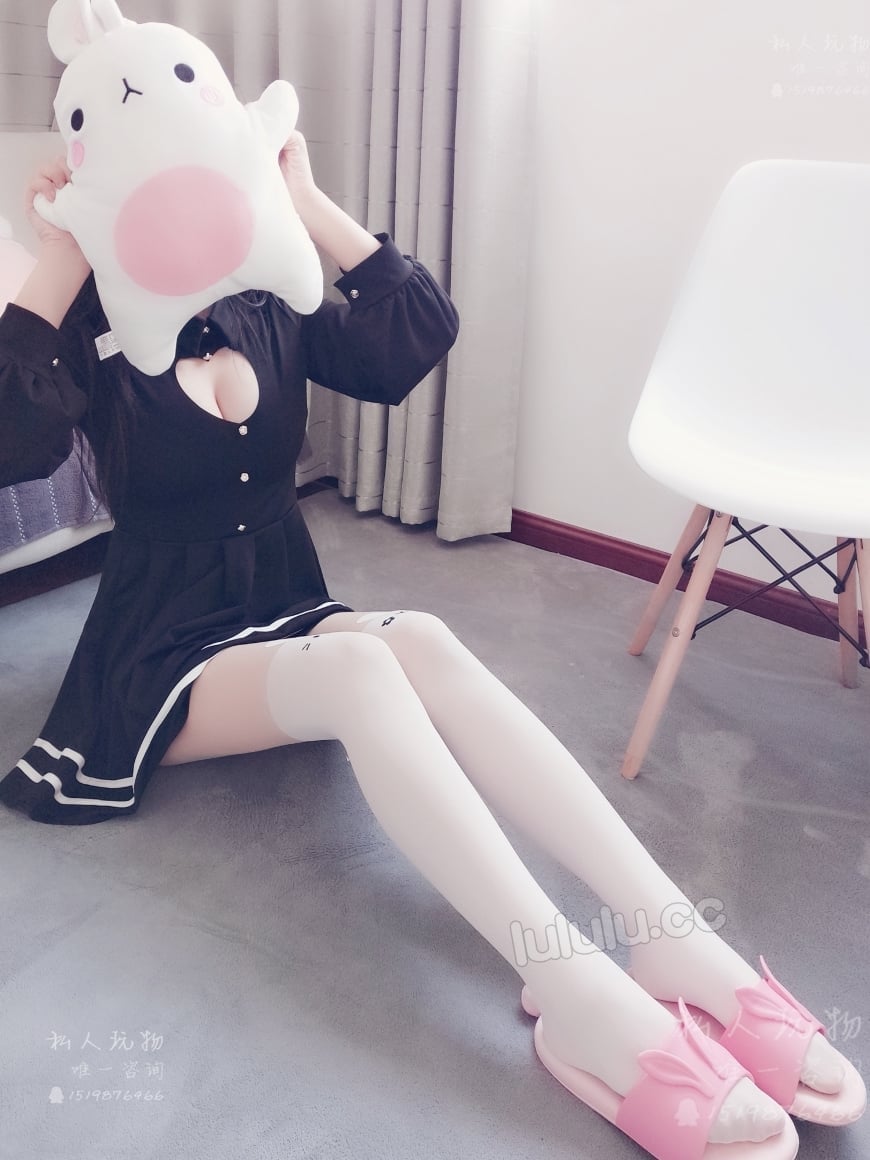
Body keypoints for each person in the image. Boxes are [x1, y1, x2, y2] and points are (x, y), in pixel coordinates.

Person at [0, 133, 862, 1160]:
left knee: (423, 636)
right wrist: (62, 252)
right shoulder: (90, 328)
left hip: (279, 607)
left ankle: (671, 935)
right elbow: (12, 441)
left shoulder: (264, 297)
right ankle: (570, 985)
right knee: (361, 665)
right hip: (154, 656)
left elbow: (410, 337)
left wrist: (306, 201)